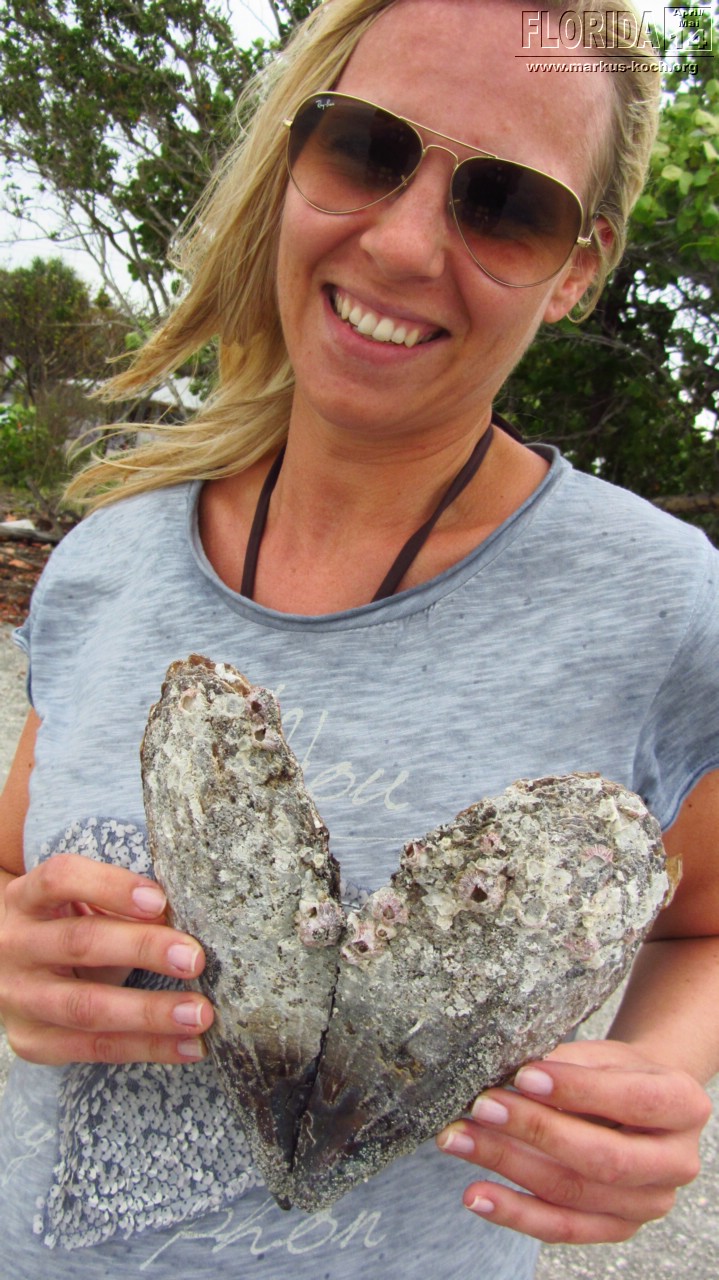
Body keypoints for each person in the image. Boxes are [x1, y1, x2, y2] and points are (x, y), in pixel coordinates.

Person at [0, 0, 717, 1275]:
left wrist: (654, 1076)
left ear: (576, 268)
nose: (399, 242)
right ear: (293, 154)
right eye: (365, 147)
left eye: (505, 204)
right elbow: (14, 868)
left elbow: (704, 918)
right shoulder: (104, 560)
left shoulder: (660, 605)